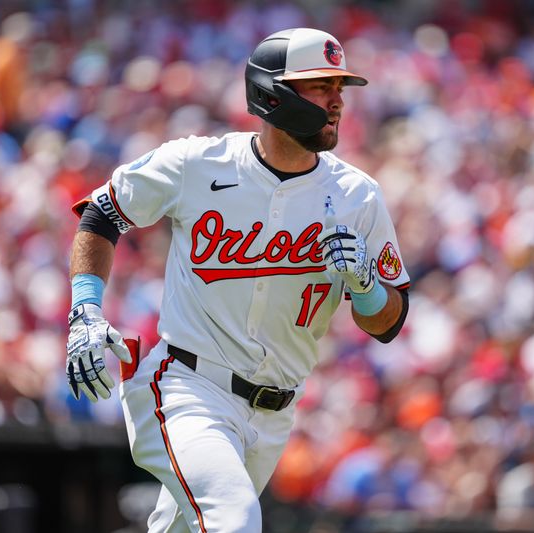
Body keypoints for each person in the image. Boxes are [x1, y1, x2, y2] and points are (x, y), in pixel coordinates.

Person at [65, 28, 410, 532]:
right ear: (274, 93)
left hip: (274, 411)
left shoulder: (358, 196)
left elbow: (389, 322)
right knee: (234, 520)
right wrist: (85, 308)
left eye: (340, 87)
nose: (337, 101)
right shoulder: (197, 163)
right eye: (321, 86)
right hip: (186, 385)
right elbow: (103, 212)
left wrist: (365, 286)